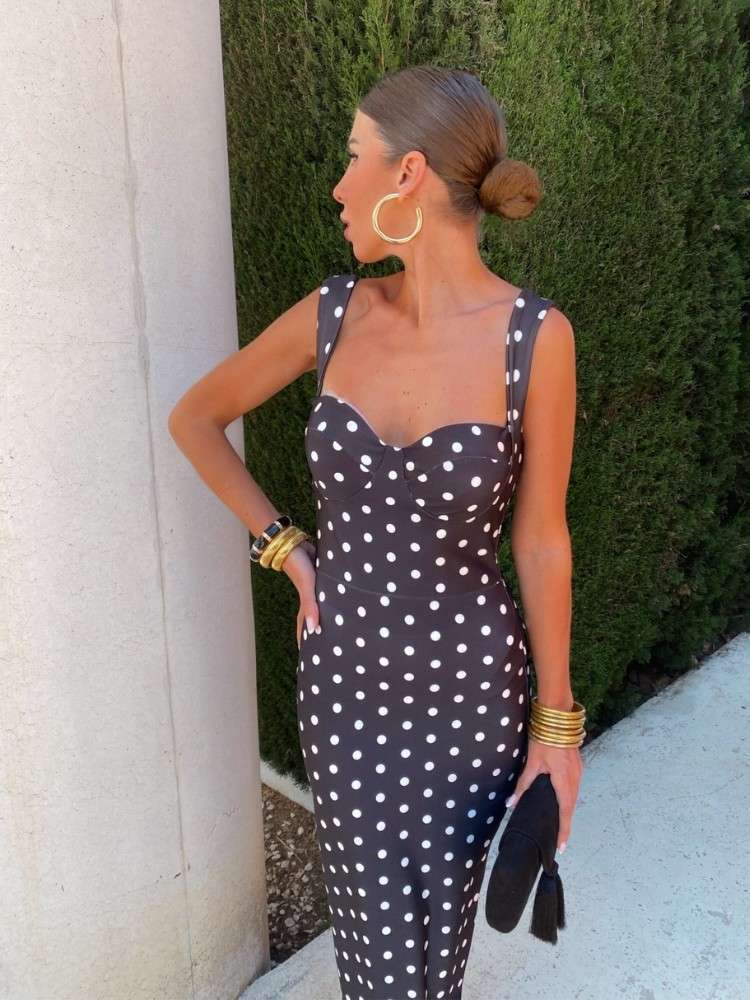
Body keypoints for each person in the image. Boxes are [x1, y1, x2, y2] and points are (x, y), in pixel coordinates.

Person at [169, 64, 581, 1000]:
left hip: (470, 694)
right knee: (377, 955)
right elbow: (197, 418)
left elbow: (541, 541)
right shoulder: (334, 314)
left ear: (408, 175)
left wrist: (556, 731)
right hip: (346, 685)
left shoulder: (534, 339)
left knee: (437, 958)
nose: (337, 185)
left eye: (354, 157)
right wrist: (287, 550)